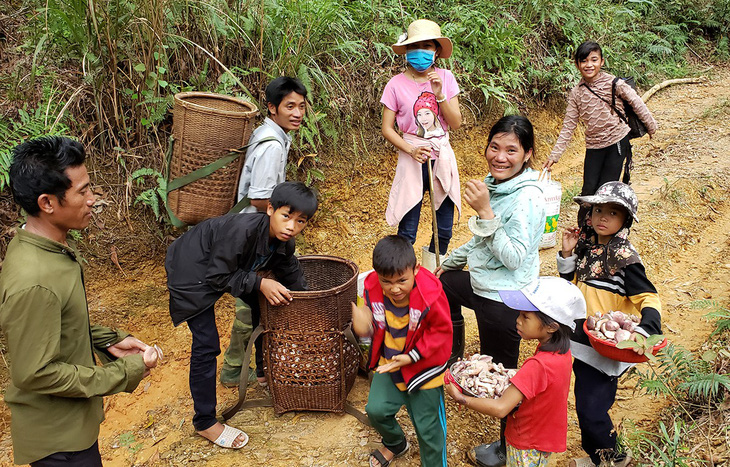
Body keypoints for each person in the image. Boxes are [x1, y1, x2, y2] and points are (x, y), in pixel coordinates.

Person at [0, 136, 159, 466]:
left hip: (71, 429)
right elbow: (35, 374)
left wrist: (109, 341)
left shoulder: (42, 246)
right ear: (47, 203)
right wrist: (123, 372)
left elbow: (58, 324)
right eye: (82, 191)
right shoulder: (34, 280)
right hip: (59, 445)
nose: (92, 200)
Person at [165, 181, 318, 449]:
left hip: (223, 268)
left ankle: (262, 372)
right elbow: (218, 276)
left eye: (300, 221)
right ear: (270, 209)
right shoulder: (242, 231)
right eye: (286, 216)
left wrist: (311, 304)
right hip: (191, 268)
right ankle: (205, 422)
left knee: (264, 306)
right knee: (206, 344)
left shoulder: (283, 242)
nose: (292, 226)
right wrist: (260, 283)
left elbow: (291, 272)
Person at [435, 115, 545, 467]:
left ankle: (506, 450)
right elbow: (482, 240)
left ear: (527, 154)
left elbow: (513, 258)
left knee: (503, 377)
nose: (500, 156)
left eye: (511, 150)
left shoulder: (527, 198)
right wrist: (450, 261)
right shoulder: (494, 183)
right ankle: (453, 359)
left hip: (506, 296)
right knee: (444, 284)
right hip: (483, 284)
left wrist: (484, 210)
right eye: (494, 147)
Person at [558, 181, 662, 467]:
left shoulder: (624, 258)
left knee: (592, 409)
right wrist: (567, 255)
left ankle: (614, 458)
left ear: (625, 220)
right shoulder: (589, 248)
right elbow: (572, 288)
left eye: (613, 213)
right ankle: (598, 457)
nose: (603, 217)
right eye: (598, 210)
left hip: (605, 350)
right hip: (584, 341)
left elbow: (648, 297)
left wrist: (645, 330)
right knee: (584, 403)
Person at [445, 277, 586, 467]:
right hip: (545, 435)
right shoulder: (561, 351)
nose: (517, 321)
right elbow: (539, 381)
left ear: (552, 326)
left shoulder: (538, 365)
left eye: (525, 317)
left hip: (526, 441)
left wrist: (461, 398)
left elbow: (501, 408)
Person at [222, 76, 308, 388]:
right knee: (248, 304)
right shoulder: (272, 145)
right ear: (272, 108)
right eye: (290, 106)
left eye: (301, 106)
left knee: (255, 299)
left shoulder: (269, 133)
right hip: (250, 233)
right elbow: (260, 197)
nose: (298, 113)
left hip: (249, 229)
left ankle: (258, 366)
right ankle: (234, 370)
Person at [351, 235, 452, 467]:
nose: (394, 288)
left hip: (423, 368)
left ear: (416, 269)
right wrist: (364, 328)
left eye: (401, 281)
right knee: (376, 410)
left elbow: (441, 331)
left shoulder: (431, 294)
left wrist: (411, 356)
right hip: (390, 362)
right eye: (386, 281)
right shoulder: (371, 287)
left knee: (429, 432)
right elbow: (372, 324)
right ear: (376, 273)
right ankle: (396, 442)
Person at [381, 19, 462, 269]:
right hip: (411, 158)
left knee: (444, 228)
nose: (421, 51)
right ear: (406, 50)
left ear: (436, 51)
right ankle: (402, 278)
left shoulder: (446, 78)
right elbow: (387, 128)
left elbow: (456, 122)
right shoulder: (395, 84)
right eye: (415, 46)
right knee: (407, 230)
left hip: (442, 156)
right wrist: (412, 150)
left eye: (427, 46)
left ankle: (433, 274)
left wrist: (440, 93)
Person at [544, 40, 657, 196]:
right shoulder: (577, 93)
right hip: (594, 146)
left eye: (594, 60)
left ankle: (605, 219)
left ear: (602, 61)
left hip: (616, 141)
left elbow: (637, 103)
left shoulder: (614, 83)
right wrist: (554, 156)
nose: (589, 65)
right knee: (588, 190)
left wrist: (651, 126)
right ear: (577, 64)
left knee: (606, 189)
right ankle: (585, 221)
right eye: (583, 61)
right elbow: (568, 126)